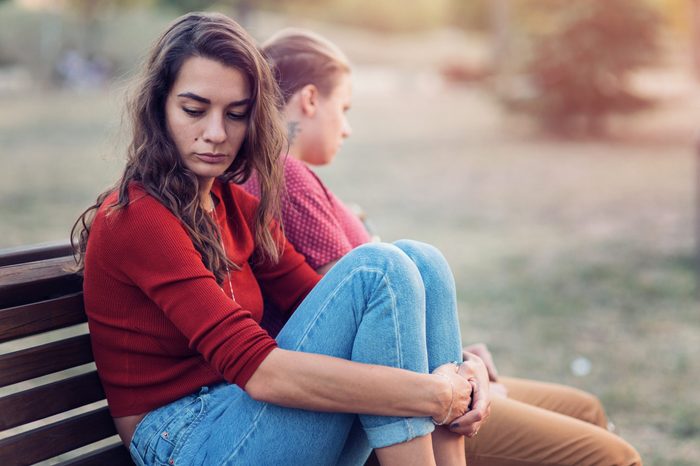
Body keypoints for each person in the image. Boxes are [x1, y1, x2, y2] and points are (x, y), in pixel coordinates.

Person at [72, 12, 493, 466]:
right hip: (186, 440)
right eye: (194, 110)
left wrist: (464, 376)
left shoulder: (237, 207)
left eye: (236, 115)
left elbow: (343, 309)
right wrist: (434, 394)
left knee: (420, 260)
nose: (216, 134)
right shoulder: (138, 218)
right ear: (159, 109)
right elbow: (261, 373)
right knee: (379, 267)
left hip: (243, 414)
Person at [242, 28, 643, 466]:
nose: (349, 127)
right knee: (612, 456)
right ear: (311, 99)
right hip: (408, 403)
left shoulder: (283, 178)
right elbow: (369, 324)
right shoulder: (285, 177)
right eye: (345, 108)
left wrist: (463, 356)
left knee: (587, 410)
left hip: (429, 377)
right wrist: (461, 374)